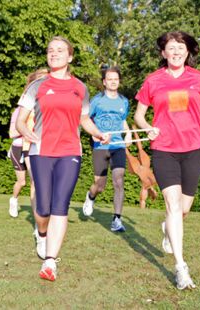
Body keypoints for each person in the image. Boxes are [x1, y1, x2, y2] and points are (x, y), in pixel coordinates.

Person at [134, 31, 200, 290]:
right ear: (163, 53)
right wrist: (147, 127)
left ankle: (168, 228)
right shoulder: (153, 81)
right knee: (173, 205)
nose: (176, 51)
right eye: (171, 47)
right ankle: (181, 267)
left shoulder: (198, 78)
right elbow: (139, 116)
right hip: (164, 149)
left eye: (181, 47)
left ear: (188, 52)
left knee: (184, 210)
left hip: (193, 149)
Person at [16, 36, 110, 282]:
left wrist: (97, 133)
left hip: (70, 151)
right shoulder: (36, 86)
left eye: (60, 50)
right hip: (41, 151)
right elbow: (19, 120)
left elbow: (85, 119)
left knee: (60, 204)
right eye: (50, 50)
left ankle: (50, 262)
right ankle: (42, 232)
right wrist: (27, 133)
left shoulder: (80, 88)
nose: (54, 53)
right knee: (43, 206)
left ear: (70, 57)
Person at [82, 66, 131, 232]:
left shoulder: (124, 101)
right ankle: (91, 196)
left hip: (118, 146)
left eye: (116, 79)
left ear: (119, 81)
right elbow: (86, 120)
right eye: (109, 79)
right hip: (101, 146)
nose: (113, 82)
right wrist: (94, 134)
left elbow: (123, 120)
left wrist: (129, 134)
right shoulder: (97, 100)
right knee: (100, 185)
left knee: (119, 180)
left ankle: (117, 219)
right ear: (104, 82)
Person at [8, 68, 48, 219]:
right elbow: (12, 133)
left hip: (33, 147)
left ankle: (38, 218)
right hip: (18, 147)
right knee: (22, 182)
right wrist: (26, 129)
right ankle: (14, 200)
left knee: (35, 181)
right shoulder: (20, 110)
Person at [125, 125, 157, 209]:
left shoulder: (149, 183)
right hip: (141, 170)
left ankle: (133, 130)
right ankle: (133, 130)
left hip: (139, 170)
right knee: (138, 149)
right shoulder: (150, 182)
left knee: (132, 152)